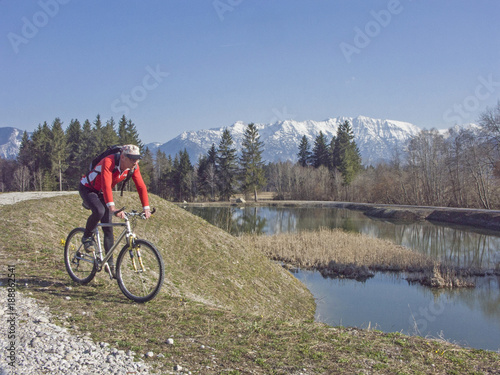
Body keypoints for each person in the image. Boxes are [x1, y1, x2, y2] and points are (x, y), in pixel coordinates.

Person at [79, 144, 151, 278]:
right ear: (123, 157)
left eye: (137, 159)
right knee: (100, 211)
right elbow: (106, 185)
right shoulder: (109, 161)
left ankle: (110, 263)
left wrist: (146, 207)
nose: (135, 162)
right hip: (88, 188)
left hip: (101, 193)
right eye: (132, 158)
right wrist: (112, 208)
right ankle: (87, 236)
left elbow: (141, 186)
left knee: (108, 227)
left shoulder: (133, 167)